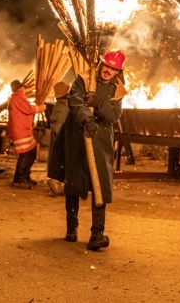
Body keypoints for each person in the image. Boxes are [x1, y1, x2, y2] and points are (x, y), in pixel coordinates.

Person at [63, 49, 126, 251]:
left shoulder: (118, 89)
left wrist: (98, 103)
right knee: (74, 182)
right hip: (78, 137)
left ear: (118, 71)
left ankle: (96, 234)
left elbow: (114, 115)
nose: (108, 71)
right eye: (107, 66)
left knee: (100, 185)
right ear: (100, 64)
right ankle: (71, 228)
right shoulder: (84, 79)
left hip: (101, 142)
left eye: (113, 69)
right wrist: (87, 118)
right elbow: (75, 102)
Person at [7, 79, 44, 189]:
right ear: (20, 88)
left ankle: (25, 176)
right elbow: (28, 109)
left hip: (25, 130)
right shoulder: (17, 97)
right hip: (20, 131)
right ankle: (18, 180)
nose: (24, 89)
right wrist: (41, 108)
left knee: (31, 153)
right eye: (23, 87)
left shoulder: (18, 97)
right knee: (25, 154)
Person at [46, 81, 71, 196]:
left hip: (63, 139)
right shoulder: (61, 108)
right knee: (61, 162)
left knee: (63, 163)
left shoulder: (64, 105)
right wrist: (64, 139)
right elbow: (58, 127)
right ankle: (55, 182)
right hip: (62, 141)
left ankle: (60, 184)